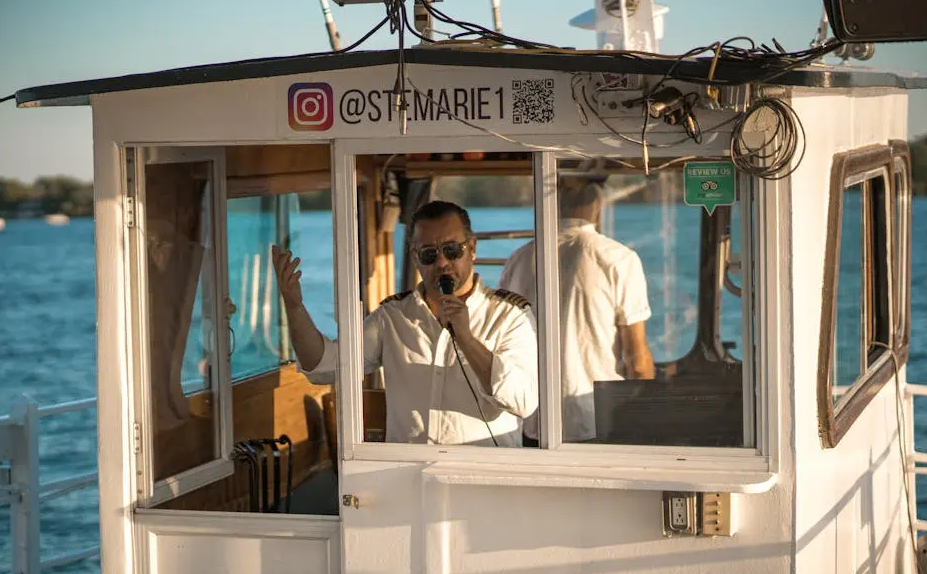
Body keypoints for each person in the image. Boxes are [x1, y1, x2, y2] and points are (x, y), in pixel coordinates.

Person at [272, 199, 539, 447]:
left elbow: (523, 402)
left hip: (482, 481)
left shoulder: (510, 316)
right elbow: (323, 366)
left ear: (472, 248)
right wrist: (294, 307)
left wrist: (466, 339)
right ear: (414, 257)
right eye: (429, 254)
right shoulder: (393, 316)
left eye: (452, 250)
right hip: (406, 479)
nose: (442, 262)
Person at [498, 177, 655, 445]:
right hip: (594, 420)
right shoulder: (619, 259)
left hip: (528, 422)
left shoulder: (519, 258)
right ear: (597, 203)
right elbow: (637, 363)